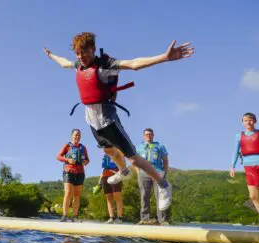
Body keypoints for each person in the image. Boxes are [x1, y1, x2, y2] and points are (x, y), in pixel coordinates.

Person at [43, 32, 193, 210]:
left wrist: (164, 57)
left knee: (134, 159)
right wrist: (51, 55)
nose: (81, 57)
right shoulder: (79, 65)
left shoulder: (106, 65)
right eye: (77, 53)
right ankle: (123, 171)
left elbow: (134, 64)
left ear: (93, 49)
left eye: (85, 52)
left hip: (108, 120)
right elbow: (64, 63)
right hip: (91, 121)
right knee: (108, 150)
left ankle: (163, 184)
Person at [136, 128, 170, 225]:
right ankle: (144, 219)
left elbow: (165, 160)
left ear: (153, 135)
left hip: (157, 172)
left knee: (160, 196)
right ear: (143, 136)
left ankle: (162, 220)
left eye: (150, 134)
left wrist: (164, 172)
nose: (148, 136)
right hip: (143, 173)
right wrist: (138, 172)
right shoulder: (138, 147)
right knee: (144, 196)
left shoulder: (160, 146)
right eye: (147, 134)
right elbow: (135, 160)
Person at [56, 129, 90, 222]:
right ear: (72, 136)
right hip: (68, 172)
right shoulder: (67, 146)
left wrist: (85, 162)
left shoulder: (83, 148)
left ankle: (74, 217)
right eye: (75, 135)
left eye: (79, 135)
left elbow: (87, 160)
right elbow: (58, 156)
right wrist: (68, 160)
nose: (77, 137)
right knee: (68, 193)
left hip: (80, 173)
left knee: (77, 195)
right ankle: (64, 216)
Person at [93, 153, 123, 224]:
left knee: (117, 196)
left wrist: (119, 173)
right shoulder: (105, 154)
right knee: (109, 198)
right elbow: (103, 169)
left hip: (116, 174)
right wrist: (99, 183)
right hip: (105, 175)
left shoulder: (118, 152)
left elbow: (123, 164)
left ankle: (120, 218)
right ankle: (111, 218)